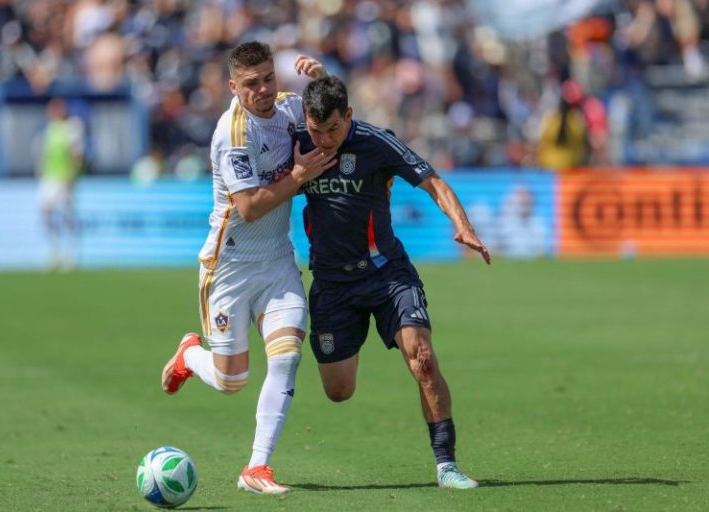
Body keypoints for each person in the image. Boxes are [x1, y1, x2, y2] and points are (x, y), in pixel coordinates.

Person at [295, 76, 490, 489]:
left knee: (422, 358)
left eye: (333, 129)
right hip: (331, 284)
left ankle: (446, 465)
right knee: (339, 390)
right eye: (317, 131)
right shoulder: (296, 142)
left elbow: (433, 181)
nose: (325, 140)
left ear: (348, 116)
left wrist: (464, 227)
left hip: (386, 274)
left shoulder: (376, 142)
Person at [160, 42, 335, 495]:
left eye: (267, 79)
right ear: (234, 87)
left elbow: (337, 123)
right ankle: (189, 355)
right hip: (230, 266)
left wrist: (322, 81)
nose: (261, 89)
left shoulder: (290, 109)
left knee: (288, 356)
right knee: (230, 380)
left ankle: (256, 468)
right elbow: (251, 207)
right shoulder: (230, 135)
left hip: (277, 258)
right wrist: (297, 178)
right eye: (250, 83)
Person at [37, 97, 84, 270]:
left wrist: (73, 176)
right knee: (46, 213)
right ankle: (54, 250)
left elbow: (76, 154)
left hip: (65, 178)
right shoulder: (49, 129)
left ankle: (70, 252)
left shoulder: (71, 128)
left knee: (67, 215)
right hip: (50, 177)